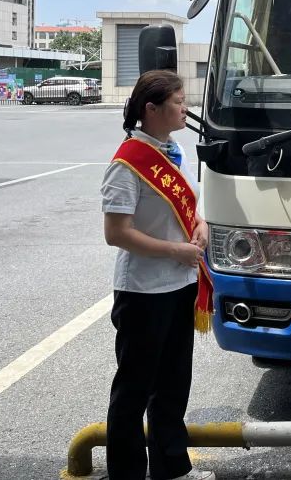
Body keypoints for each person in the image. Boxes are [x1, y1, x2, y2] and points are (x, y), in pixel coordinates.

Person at [101, 70, 214, 480]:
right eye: (178, 101)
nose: (186, 108)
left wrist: (198, 225)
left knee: (172, 385)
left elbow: (184, 210)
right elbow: (116, 233)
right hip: (144, 291)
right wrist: (175, 250)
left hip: (181, 285)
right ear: (151, 109)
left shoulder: (174, 150)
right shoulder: (128, 163)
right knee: (134, 390)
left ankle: (171, 468)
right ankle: (127, 473)